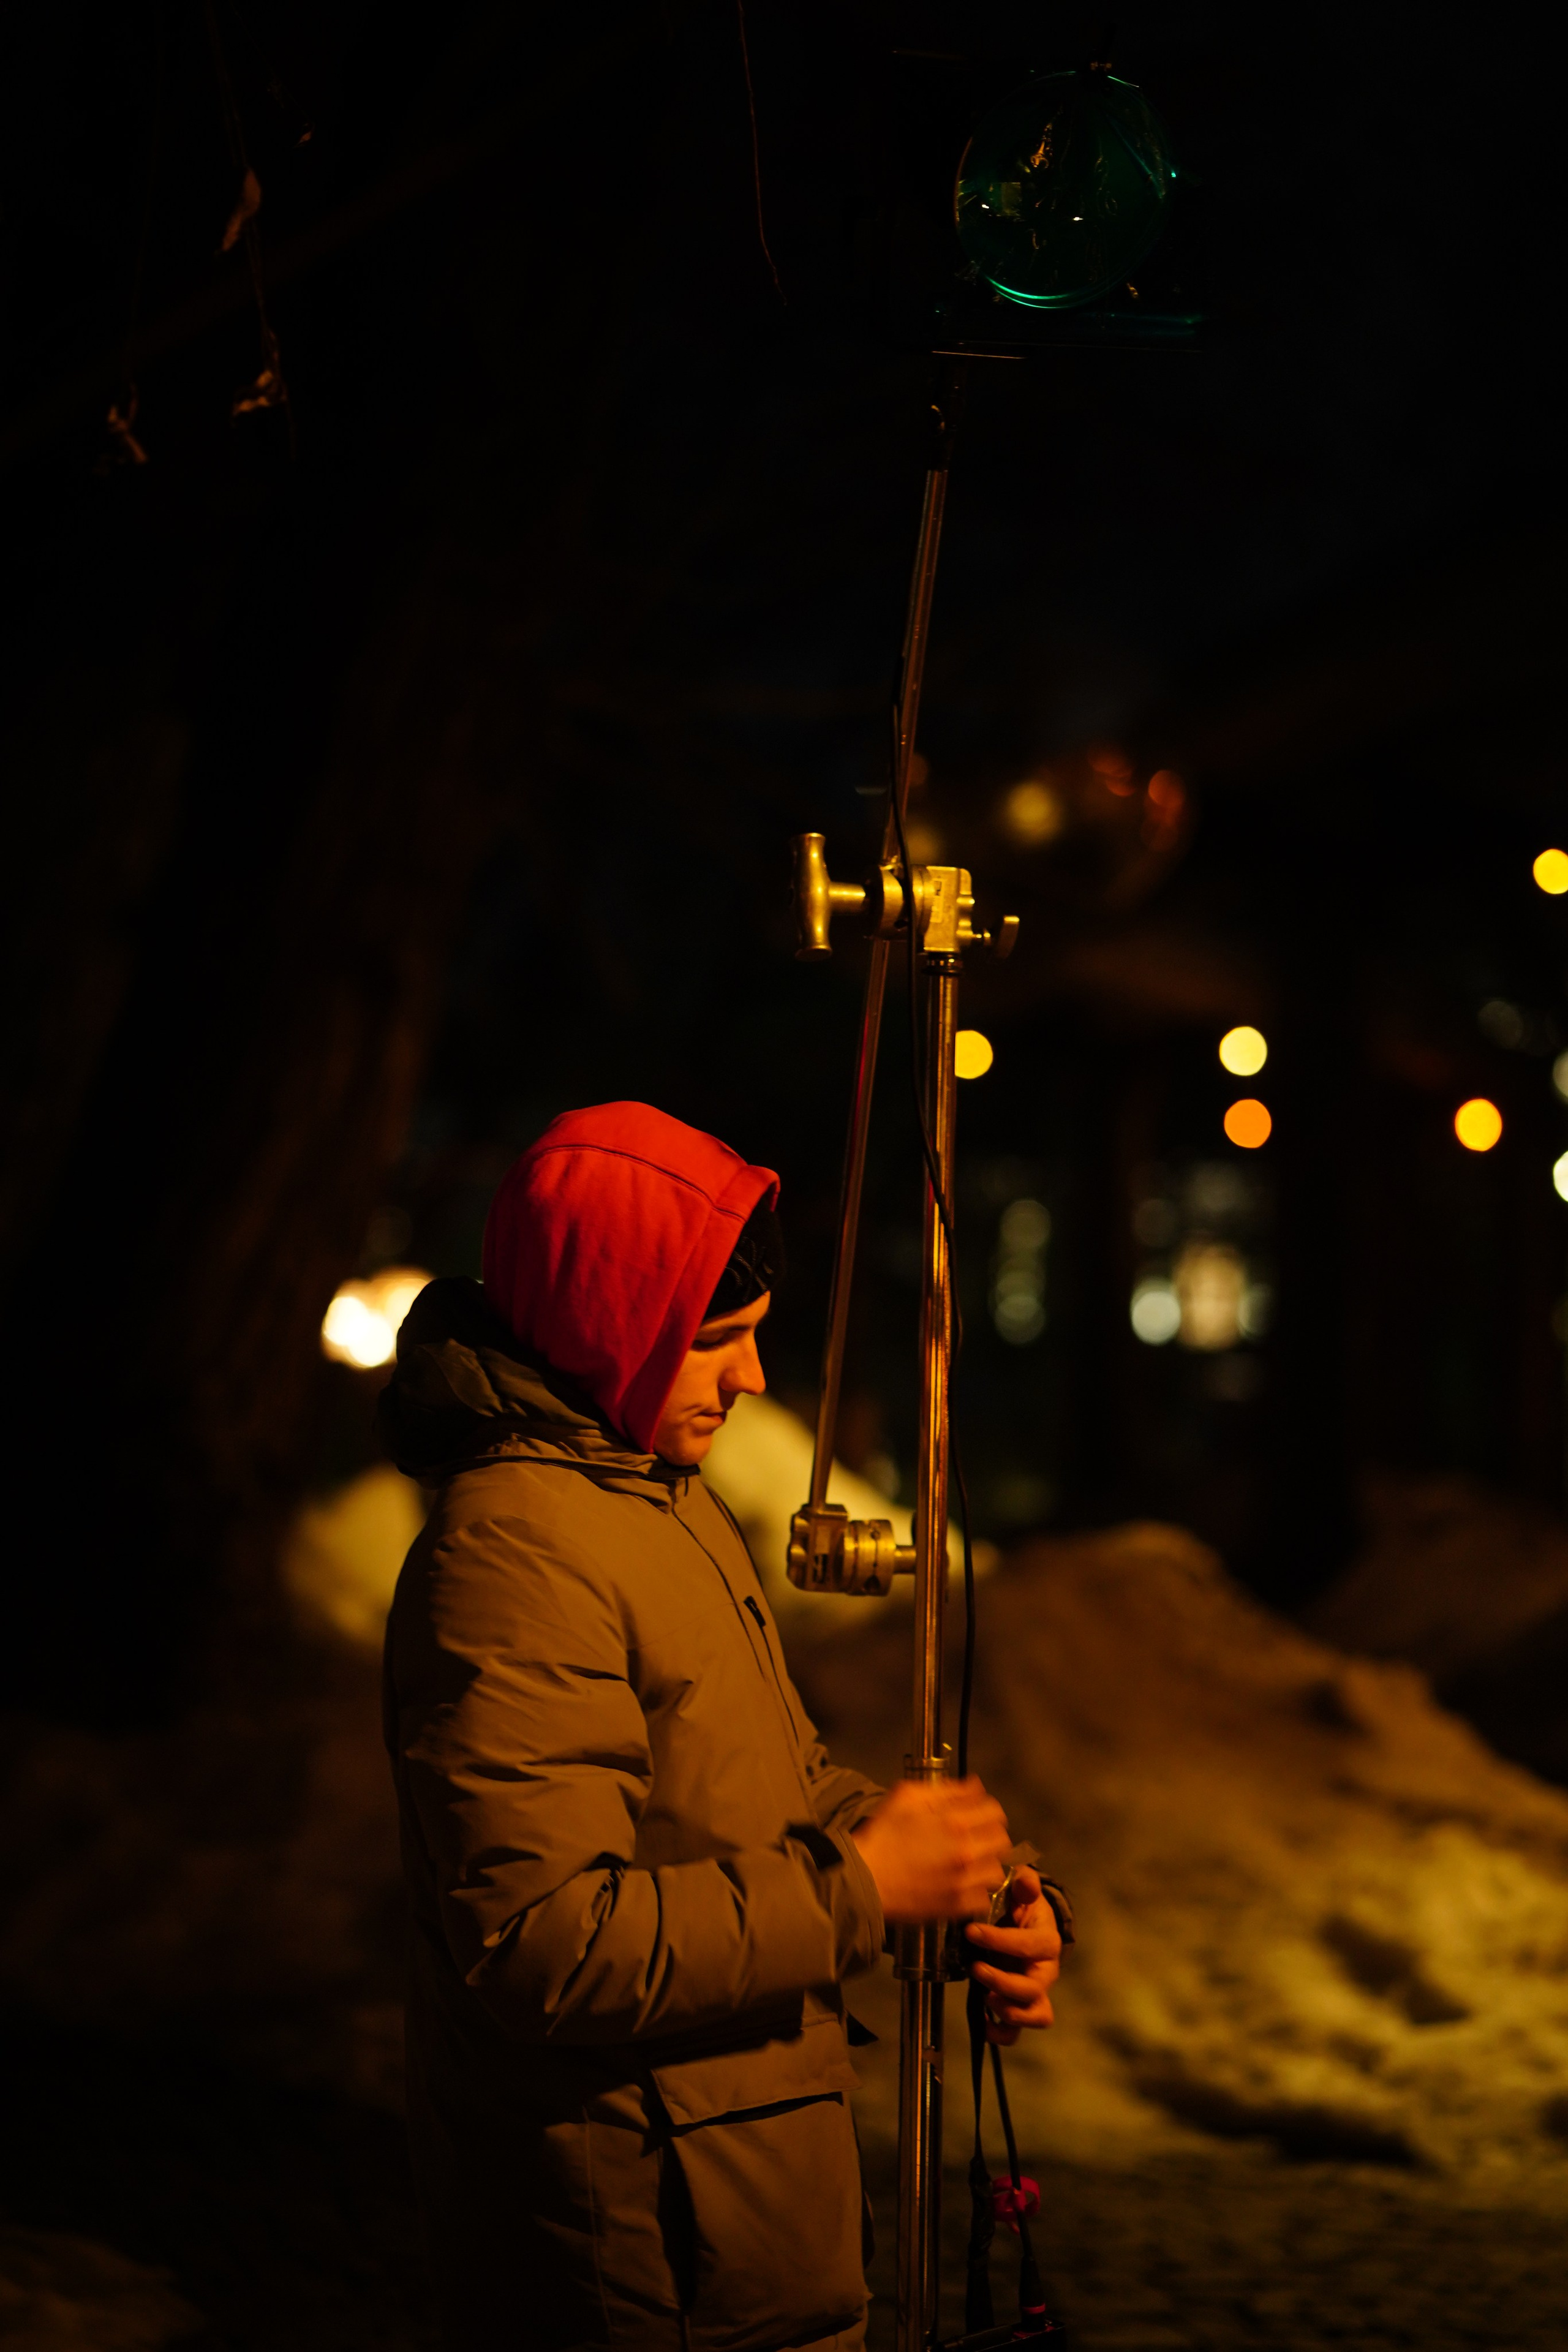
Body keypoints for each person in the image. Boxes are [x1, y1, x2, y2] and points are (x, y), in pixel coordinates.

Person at [380, 1102, 1066, 2352]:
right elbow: (540, 1944)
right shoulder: (513, 1557)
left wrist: (955, 1888)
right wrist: (861, 1887)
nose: (751, 1380)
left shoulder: (655, 1501)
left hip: (739, 2220)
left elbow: (771, 1787)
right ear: (613, 1322)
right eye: (718, 1342)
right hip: (638, 2263)